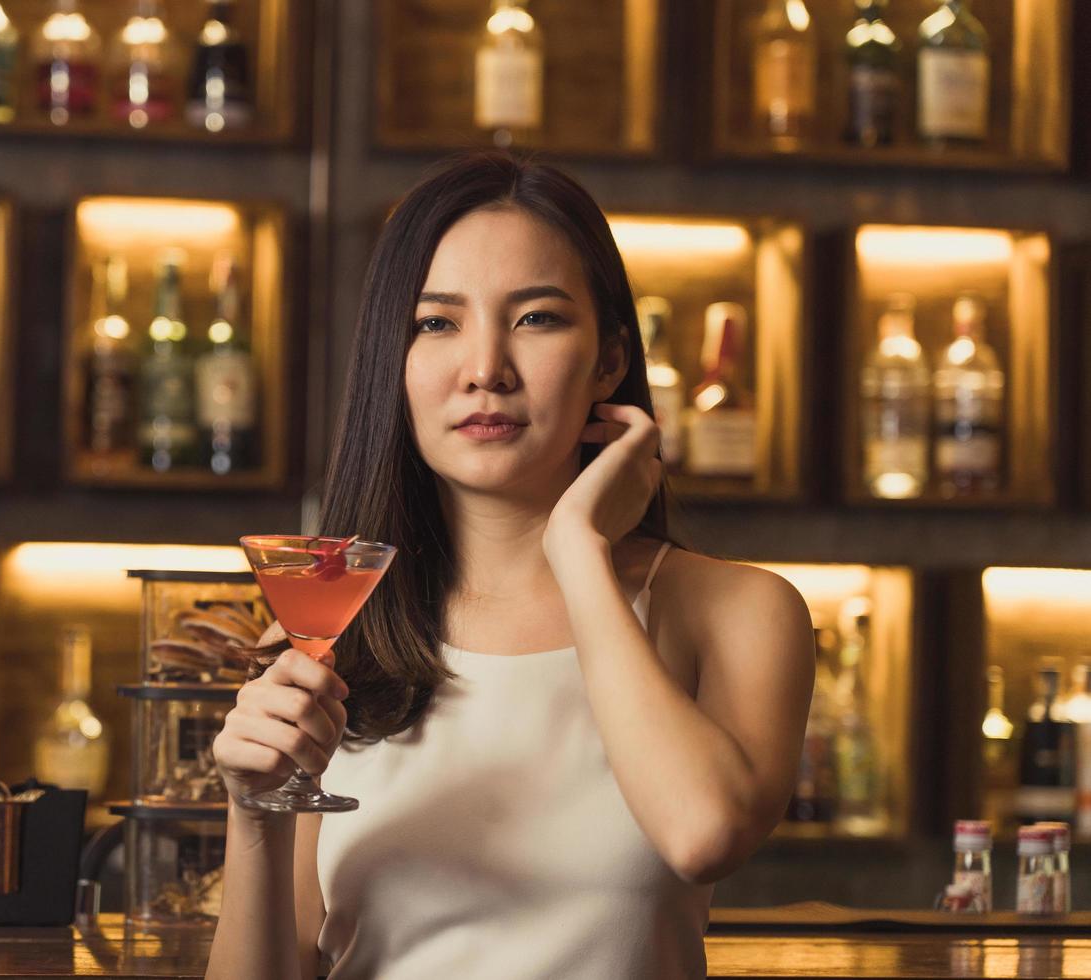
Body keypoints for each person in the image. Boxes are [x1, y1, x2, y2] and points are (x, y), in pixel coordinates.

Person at [206, 151, 815, 980]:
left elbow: (702, 833)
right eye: (437, 323)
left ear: (609, 360)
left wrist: (579, 549)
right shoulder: (337, 626)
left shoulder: (738, 610)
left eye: (535, 319)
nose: (484, 369)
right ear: (395, 362)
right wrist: (254, 815)